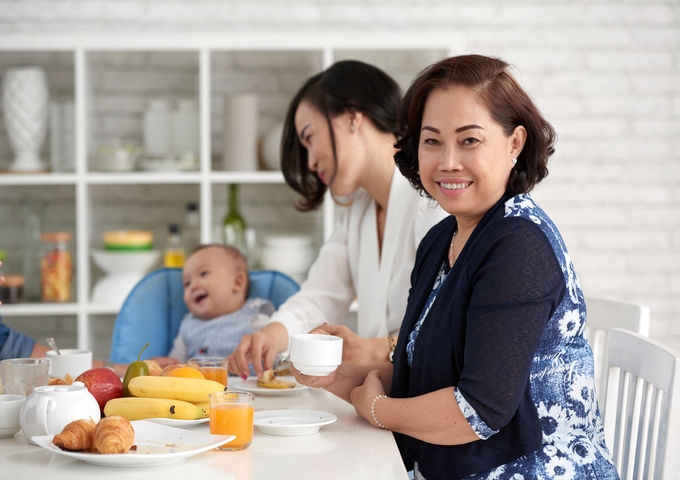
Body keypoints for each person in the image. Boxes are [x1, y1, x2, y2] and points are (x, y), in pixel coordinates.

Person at [291, 55, 619, 479]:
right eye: (432, 141)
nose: (448, 161)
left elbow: (477, 411)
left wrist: (378, 409)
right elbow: (420, 377)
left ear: (514, 144)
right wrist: (335, 376)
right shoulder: (441, 241)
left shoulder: (517, 245)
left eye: (469, 141)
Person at [229, 60, 446, 378]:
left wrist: (378, 347)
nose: (311, 160)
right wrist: (272, 336)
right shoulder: (356, 212)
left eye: (310, 137)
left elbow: (450, 325)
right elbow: (320, 296)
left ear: (352, 117)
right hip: (381, 393)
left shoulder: (435, 199)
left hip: (429, 400)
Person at [157, 244, 274, 364]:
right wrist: (164, 365)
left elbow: (276, 353)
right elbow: (176, 363)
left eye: (203, 274)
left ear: (237, 282)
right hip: (201, 382)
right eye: (187, 283)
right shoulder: (188, 326)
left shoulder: (256, 317)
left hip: (245, 382)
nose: (193, 286)